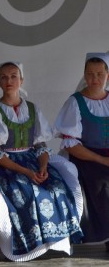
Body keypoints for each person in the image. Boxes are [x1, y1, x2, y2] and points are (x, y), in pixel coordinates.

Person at [0, 61, 83, 262]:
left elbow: (41, 146)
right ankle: (26, 245)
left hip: (33, 160)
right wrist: (26, 172)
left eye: (13, 76)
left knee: (57, 188)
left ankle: (54, 241)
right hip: (6, 164)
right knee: (25, 193)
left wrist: (43, 166)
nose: (9, 81)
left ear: (21, 80)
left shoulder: (32, 109)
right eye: (4, 77)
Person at [54, 53, 109, 252]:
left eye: (100, 74)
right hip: (85, 156)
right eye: (90, 74)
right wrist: (102, 160)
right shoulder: (75, 102)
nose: (95, 79)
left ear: (108, 76)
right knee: (102, 182)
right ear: (84, 76)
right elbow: (72, 145)